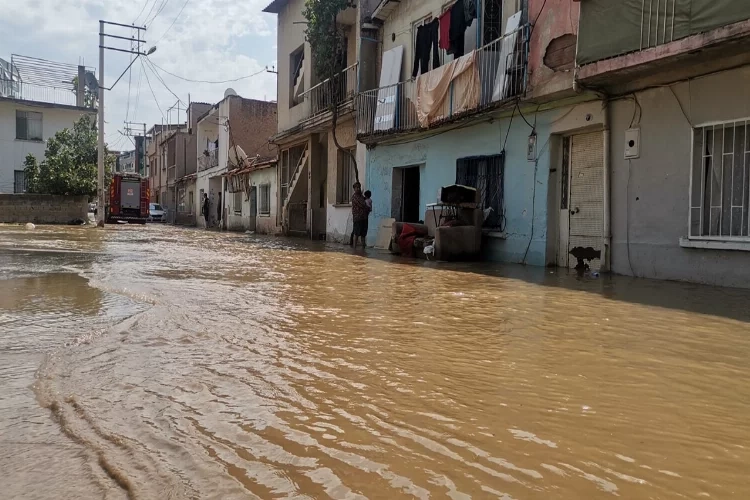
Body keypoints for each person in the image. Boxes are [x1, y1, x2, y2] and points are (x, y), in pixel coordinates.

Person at [350, 182, 369, 247]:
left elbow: (366, 202)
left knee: (363, 234)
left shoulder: (362, 196)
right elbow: (362, 205)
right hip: (357, 218)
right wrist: (368, 208)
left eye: (359, 187)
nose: (358, 189)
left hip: (364, 218)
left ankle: (363, 248)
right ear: (354, 189)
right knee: (356, 234)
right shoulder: (354, 197)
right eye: (357, 188)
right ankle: (354, 249)